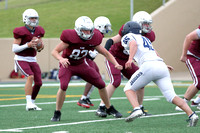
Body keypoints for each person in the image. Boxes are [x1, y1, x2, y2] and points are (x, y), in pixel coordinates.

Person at [121, 21, 198, 127]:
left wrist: (130, 59)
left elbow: (133, 44)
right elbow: (155, 53)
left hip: (148, 66)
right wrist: (164, 64)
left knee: (128, 88)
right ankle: (192, 115)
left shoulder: (128, 36)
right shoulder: (145, 39)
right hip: (160, 65)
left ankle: (137, 109)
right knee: (171, 96)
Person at [50, 16, 123, 122]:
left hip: (81, 64)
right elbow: (54, 51)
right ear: (78, 29)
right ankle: (57, 112)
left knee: (101, 84)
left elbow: (106, 53)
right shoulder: (70, 37)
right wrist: (61, 59)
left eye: (89, 30)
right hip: (68, 65)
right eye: (85, 30)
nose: (88, 33)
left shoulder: (94, 38)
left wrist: (116, 64)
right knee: (63, 85)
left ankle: (108, 108)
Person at [96, 11, 155, 117]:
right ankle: (102, 107)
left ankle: (139, 108)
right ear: (138, 23)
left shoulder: (149, 35)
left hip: (128, 60)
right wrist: (107, 55)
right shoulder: (127, 29)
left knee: (141, 81)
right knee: (115, 81)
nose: (148, 26)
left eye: (148, 23)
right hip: (115, 57)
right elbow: (110, 41)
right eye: (145, 23)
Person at [12, 9, 45, 111]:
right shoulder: (20, 31)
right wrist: (28, 45)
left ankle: (33, 103)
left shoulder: (39, 30)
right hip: (21, 58)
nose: (34, 20)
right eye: (32, 18)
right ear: (25, 19)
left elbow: (40, 48)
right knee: (30, 76)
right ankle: (28, 103)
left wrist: (40, 46)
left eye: (35, 18)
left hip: (32, 59)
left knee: (39, 83)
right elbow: (14, 49)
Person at [77, 16, 113, 108]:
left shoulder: (97, 34)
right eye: (105, 27)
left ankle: (86, 97)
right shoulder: (96, 34)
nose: (107, 29)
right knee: (94, 77)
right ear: (100, 26)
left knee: (97, 77)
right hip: (85, 58)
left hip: (88, 58)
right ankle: (84, 98)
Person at [175, 25, 200, 111]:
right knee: (199, 80)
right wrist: (184, 55)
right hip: (193, 55)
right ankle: (182, 103)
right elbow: (188, 37)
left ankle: (197, 101)